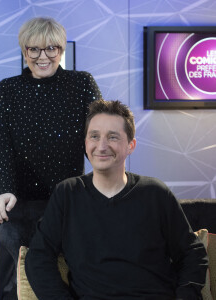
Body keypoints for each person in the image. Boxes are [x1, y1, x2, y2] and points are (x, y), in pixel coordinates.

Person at [25, 99, 208, 300]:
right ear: (86, 142)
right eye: (94, 136)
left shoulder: (155, 193)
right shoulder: (67, 194)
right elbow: (38, 257)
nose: (101, 146)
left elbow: (192, 253)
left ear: (131, 145)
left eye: (112, 137)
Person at [0, 17, 102, 299]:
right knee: (14, 280)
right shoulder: (8, 89)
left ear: (61, 50)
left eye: (51, 48)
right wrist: (2, 189)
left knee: (65, 275)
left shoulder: (81, 83)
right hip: (15, 201)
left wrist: (104, 185)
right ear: (24, 51)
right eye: (34, 49)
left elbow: (100, 134)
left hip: (65, 200)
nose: (43, 57)